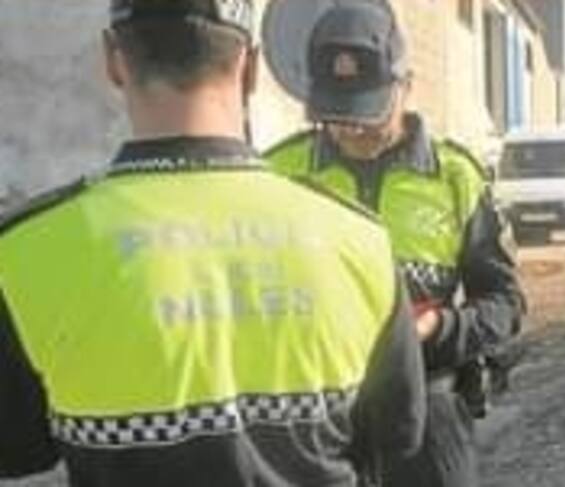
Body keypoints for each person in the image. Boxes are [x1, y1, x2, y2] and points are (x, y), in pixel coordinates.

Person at [0, 1, 427, 485]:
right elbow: (397, 436)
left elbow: (18, 450)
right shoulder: (358, 239)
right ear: (251, 68)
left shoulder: (23, 253)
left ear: (114, 61)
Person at [265, 2, 525, 486]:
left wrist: (436, 328)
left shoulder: (456, 179)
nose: (350, 128)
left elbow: (504, 306)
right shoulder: (277, 175)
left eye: (366, 110)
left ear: (406, 84)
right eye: (335, 112)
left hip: (431, 420)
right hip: (314, 426)